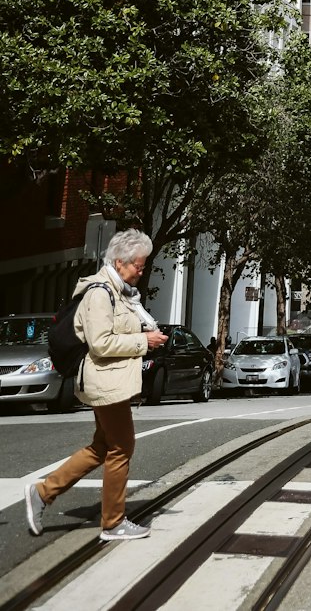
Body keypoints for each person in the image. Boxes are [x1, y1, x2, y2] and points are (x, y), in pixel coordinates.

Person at [24, 229, 168, 543]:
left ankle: (42, 492)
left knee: (102, 448)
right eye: (138, 266)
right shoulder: (100, 294)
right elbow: (101, 344)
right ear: (120, 262)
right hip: (104, 381)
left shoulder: (121, 292)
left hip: (111, 379)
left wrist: (144, 331)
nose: (141, 272)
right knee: (122, 447)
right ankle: (113, 522)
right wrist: (143, 340)